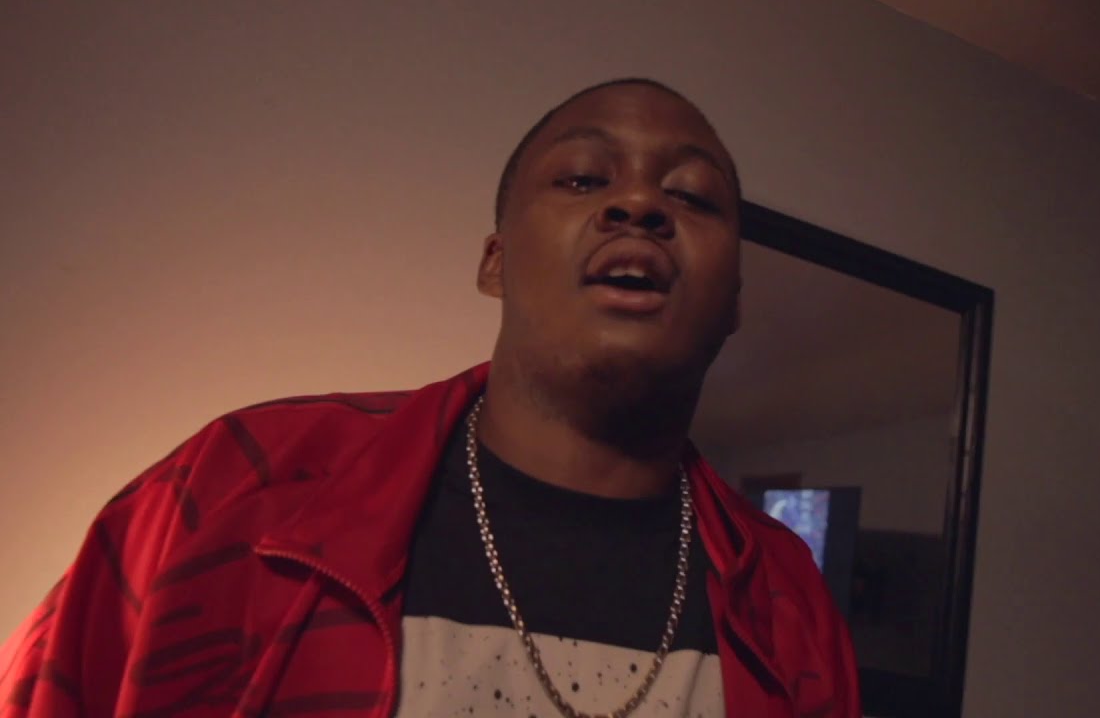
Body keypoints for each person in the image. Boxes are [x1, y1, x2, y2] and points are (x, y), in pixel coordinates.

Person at [0, 78, 860, 717]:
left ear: (734, 301)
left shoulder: (787, 600)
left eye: (691, 195)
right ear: (495, 263)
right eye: (582, 179)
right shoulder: (238, 485)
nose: (638, 203)